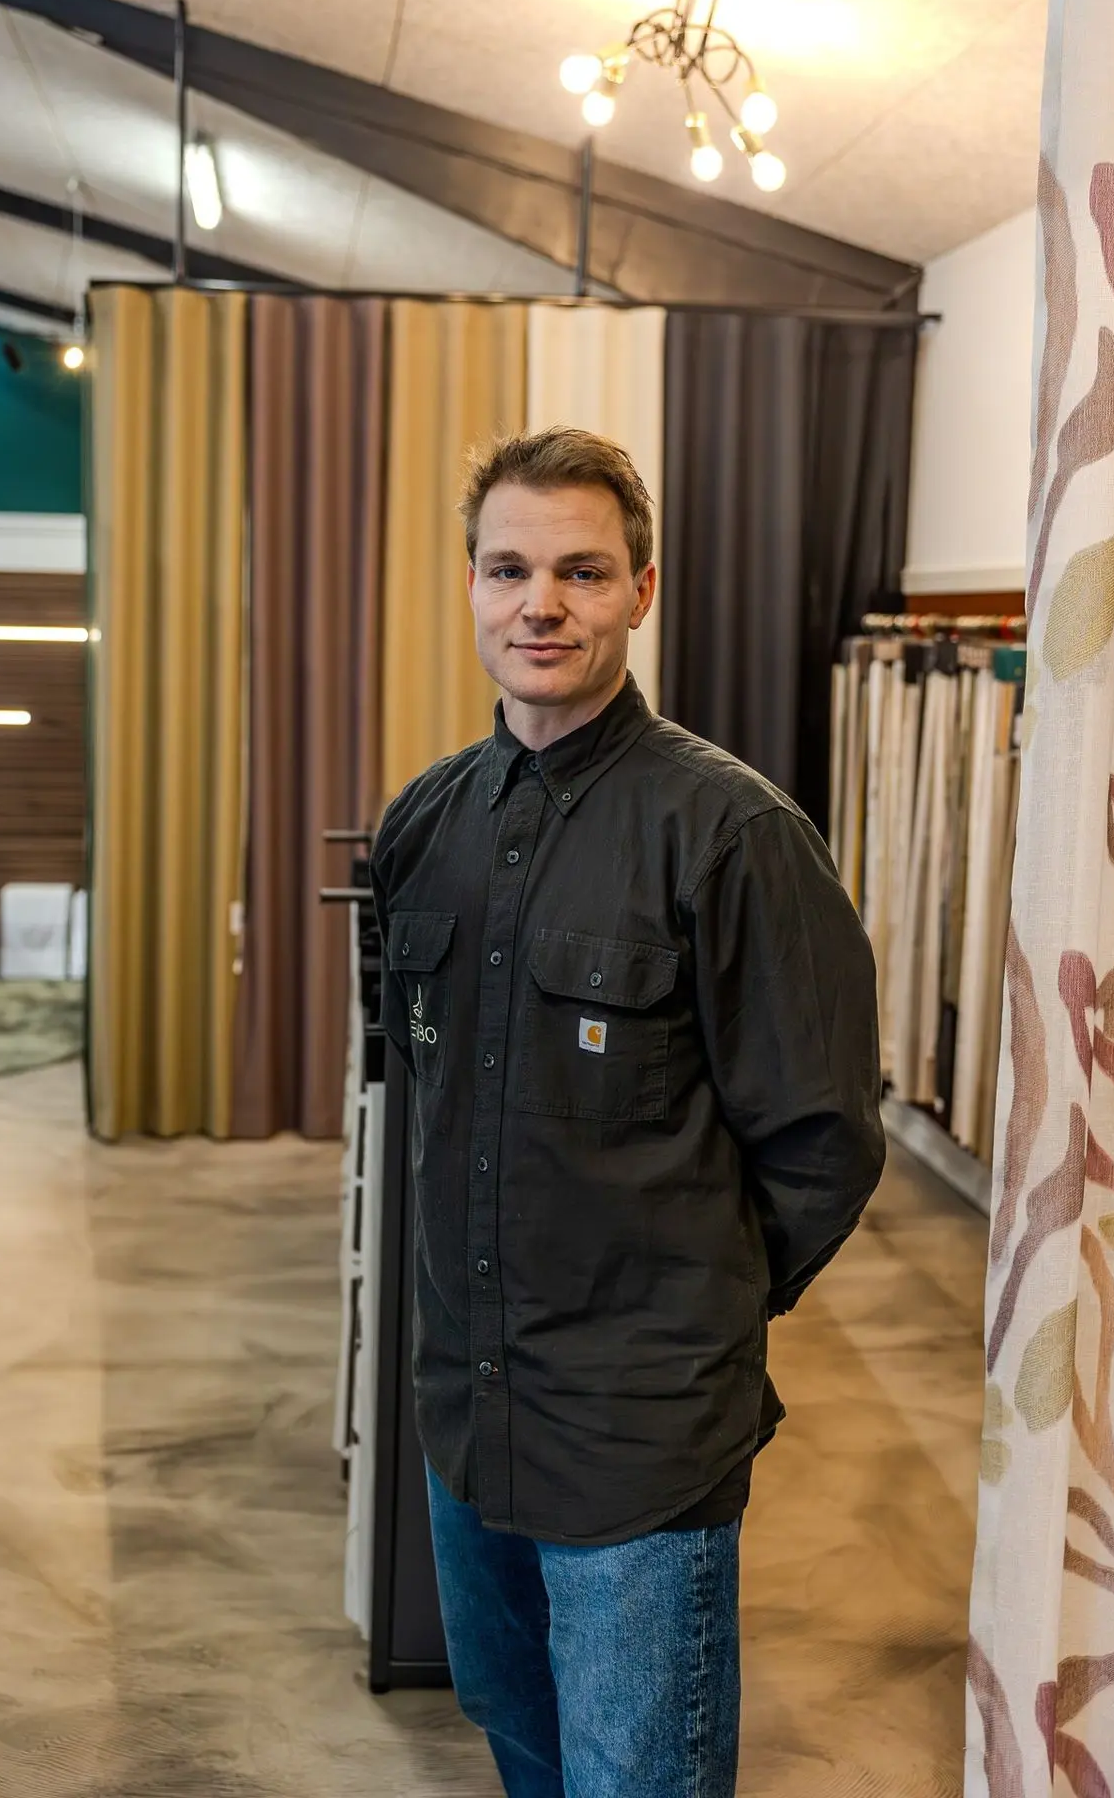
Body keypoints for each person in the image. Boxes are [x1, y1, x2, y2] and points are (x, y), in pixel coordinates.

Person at [370, 427, 884, 1798]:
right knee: (519, 1734)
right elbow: (428, 1088)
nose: (540, 604)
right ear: (471, 585)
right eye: (509, 569)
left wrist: (683, 1316)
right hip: (468, 1411)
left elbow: (823, 1144)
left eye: (582, 572)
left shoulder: (734, 836)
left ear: (641, 591)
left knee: (635, 1775)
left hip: (639, 1440)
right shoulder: (424, 824)